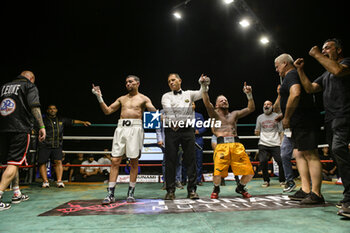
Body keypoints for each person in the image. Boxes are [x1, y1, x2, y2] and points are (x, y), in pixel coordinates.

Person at [294, 38, 350, 212]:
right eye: (323, 49)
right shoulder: (326, 74)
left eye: (328, 48)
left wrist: (317, 54)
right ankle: (348, 195)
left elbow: (338, 70)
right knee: (336, 154)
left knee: (339, 148)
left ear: (338, 50)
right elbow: (310, 88)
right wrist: (300, 70)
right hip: (330, 119)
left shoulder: (345, 63)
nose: (324, 51)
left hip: (344, 115)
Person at [92, 75, 156, 204]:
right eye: (126, 82)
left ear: (137, 83)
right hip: (121, 127)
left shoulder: (144, 98)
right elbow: (108, 111)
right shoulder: (122, 99)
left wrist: (157, 113)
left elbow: (153, 111)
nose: (128, 84)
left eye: (131, 82)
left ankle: (131, 193)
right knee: (115, 160)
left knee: (133, 161)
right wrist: (99, 96)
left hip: (136, 128)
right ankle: (110, 193)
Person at [274, 53, 323, 204]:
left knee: (310, 154)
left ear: (284, 63)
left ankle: (317, 194)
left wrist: (287, 117)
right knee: (299, 154)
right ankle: (306, 189)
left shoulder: (292, 74)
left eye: (277, 67)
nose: (276, 70)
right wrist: (285, 115)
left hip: (304, 121)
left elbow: (295, 94)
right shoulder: (289, 77)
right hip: (298, 121)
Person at [200, 75, 255, 199]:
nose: (224, 101)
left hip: (237, 145)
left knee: (250, 172)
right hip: (221, 146)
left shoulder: (234, 114)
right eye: (221, 100)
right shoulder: (214, 114)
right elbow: (206, 102)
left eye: (225, 100)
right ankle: (216, 188)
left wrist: (249, 95)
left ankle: (240, 187)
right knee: (218, 173)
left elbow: (251, 108)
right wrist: (204, 86)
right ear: (216, 105)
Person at [0, 70, 46, 211]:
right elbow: (34, 106)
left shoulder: (4, 87)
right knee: (14, 163)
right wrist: (42, 126)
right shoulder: (29, 86)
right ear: (31, 79)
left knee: (13, 162)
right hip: (20, 128)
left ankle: (16, 192)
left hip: (3, 128)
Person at [161, 73, 204, 200]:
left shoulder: (189, 94)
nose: (171, 83)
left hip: (187, 130)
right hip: (171, 130)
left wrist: (203, 83)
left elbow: (202, 93)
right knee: (170, 160)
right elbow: (168, 111)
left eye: (173, 80)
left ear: (180, 80)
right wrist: (176, 123)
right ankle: (170, 191)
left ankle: (192, 190)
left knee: (191, 160)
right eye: (169, 81)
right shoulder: (166, 96)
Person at [38, 104, 91, 188]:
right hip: (45, 144)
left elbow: (72, 121)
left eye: (54, 109)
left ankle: (59, 181)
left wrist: (83, 122)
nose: (52, 110)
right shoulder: (43, 120)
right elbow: (35, 127)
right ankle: (45, 181)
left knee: (58, 161)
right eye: (50, 109)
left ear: (56, 110)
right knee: (42, 162)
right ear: (47, 110)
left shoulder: (61, 119)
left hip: (57, 144)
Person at [255, 100, 285, 188]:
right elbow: (257, 131)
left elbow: (281, 131)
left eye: (268, 104)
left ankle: (282, 180)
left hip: (275, 143)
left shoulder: (277, 116)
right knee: (263, 161)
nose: (266, 106)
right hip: (263, 143)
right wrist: (256, 132)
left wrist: (281, 143)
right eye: (264, 104)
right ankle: (266, 180)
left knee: (280, 161)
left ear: (272, 106)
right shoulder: (260, 117)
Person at [273, 85, 296, 192]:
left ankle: (309, 183)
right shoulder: (283, 99)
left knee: (304, 156)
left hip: (300, 128)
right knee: (284, 155)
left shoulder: (295, 94)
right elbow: (276, 108)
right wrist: (279, 94)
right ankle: (290, 181)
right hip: (288, 132)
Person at [156, 112, 183, 190]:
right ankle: (166, 182)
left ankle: (177, 180)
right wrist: (159, 139)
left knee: (178, 162)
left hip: (179, 141)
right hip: (166, 141)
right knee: (166, 162)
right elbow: (158, 128)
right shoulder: (161, 113)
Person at [182, 102, 206, 186]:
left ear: (195, 106)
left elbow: (204, 126)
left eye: (192, 104)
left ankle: (198, 180)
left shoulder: (199, 115)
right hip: (186, 141)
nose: (190, 106)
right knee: (185, 161)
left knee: (198, 161)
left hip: (198, 140)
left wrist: (198, 131)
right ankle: (183, 179)